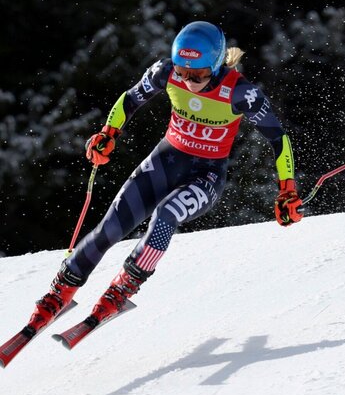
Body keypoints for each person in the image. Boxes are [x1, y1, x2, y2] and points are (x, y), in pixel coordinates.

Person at [26, 21, 303, 333]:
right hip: (165, 161)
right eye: (183, 72)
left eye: (197, 75)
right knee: (111, 226)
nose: (188, 81)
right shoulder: (165, 72)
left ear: (214, 64)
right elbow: (129, 99)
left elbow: (279, 139)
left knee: (165, 215)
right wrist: (108, 133)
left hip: (206, 176)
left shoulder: (241, 93)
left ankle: (124, 287)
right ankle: (61, 289)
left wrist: (287, 190)